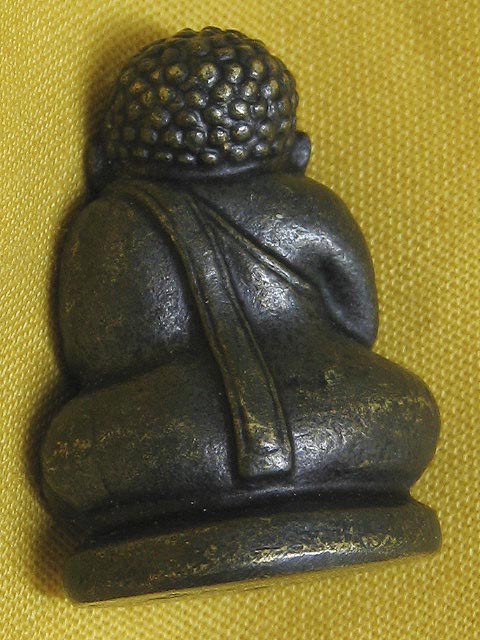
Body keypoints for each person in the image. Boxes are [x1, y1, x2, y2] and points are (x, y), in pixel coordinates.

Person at [41, 27, 439, 533]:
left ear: (100, 163)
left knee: (76, 447)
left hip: (178, 441)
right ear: (298, 153)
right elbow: (358, 325)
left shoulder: (108, 222)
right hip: (326, 419)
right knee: (405, 407)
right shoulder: (309, 205)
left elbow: (97, 358)